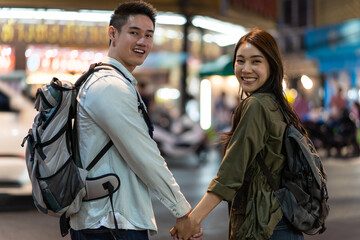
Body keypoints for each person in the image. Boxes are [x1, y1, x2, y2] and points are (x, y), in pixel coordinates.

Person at [69, 2, 202, 240]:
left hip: (109, 219)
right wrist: (182, 211)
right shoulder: (109, 86)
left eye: (148, 35)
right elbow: (144, 154)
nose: (143, 42)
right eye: (134, 33)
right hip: (110, 222)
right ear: (113, 34)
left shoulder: (112, 82)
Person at [170, 29, 306, 240]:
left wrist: (194, 219)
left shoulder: (256, 105)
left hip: (265, 227)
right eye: (240, 61)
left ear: (271, 64)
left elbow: (231, 172)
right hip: (282, 223)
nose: (246, 69)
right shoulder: (276, 104)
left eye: (256, 61)